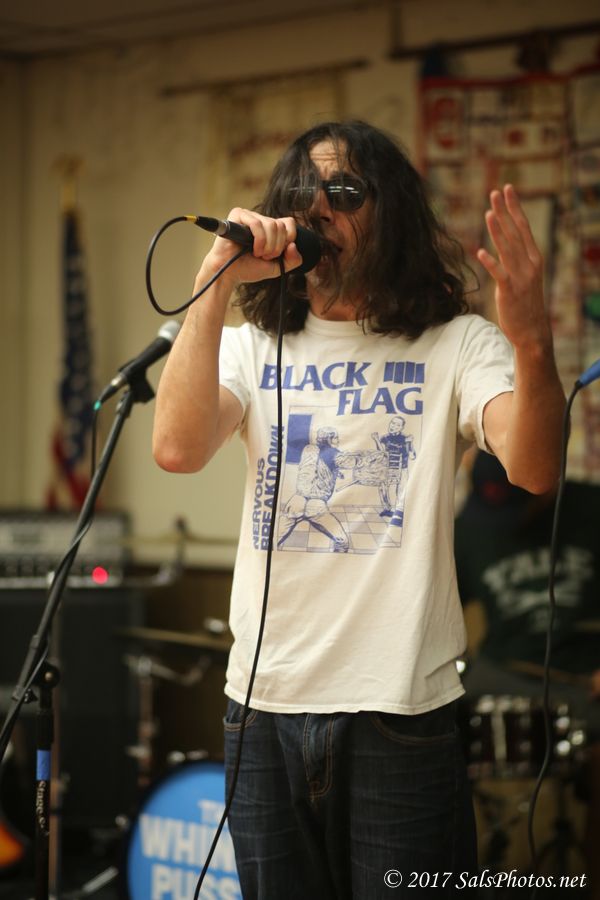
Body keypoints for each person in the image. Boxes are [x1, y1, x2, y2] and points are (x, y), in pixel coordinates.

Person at [152, 120, 565, 898]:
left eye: (342, 191)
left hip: (398, 715)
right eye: (301, 194)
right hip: (262, 710)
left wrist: (533, 341)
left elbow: (537, 467)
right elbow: (176, 448)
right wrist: (217, 279)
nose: (317, 208)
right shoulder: (249, 346)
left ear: (391, 214)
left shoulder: (456, 343)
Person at [455, 450, 600, 895]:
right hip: (504, 670)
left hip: (583, 676)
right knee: (429, 730)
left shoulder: (591, 507)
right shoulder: (470, 526)